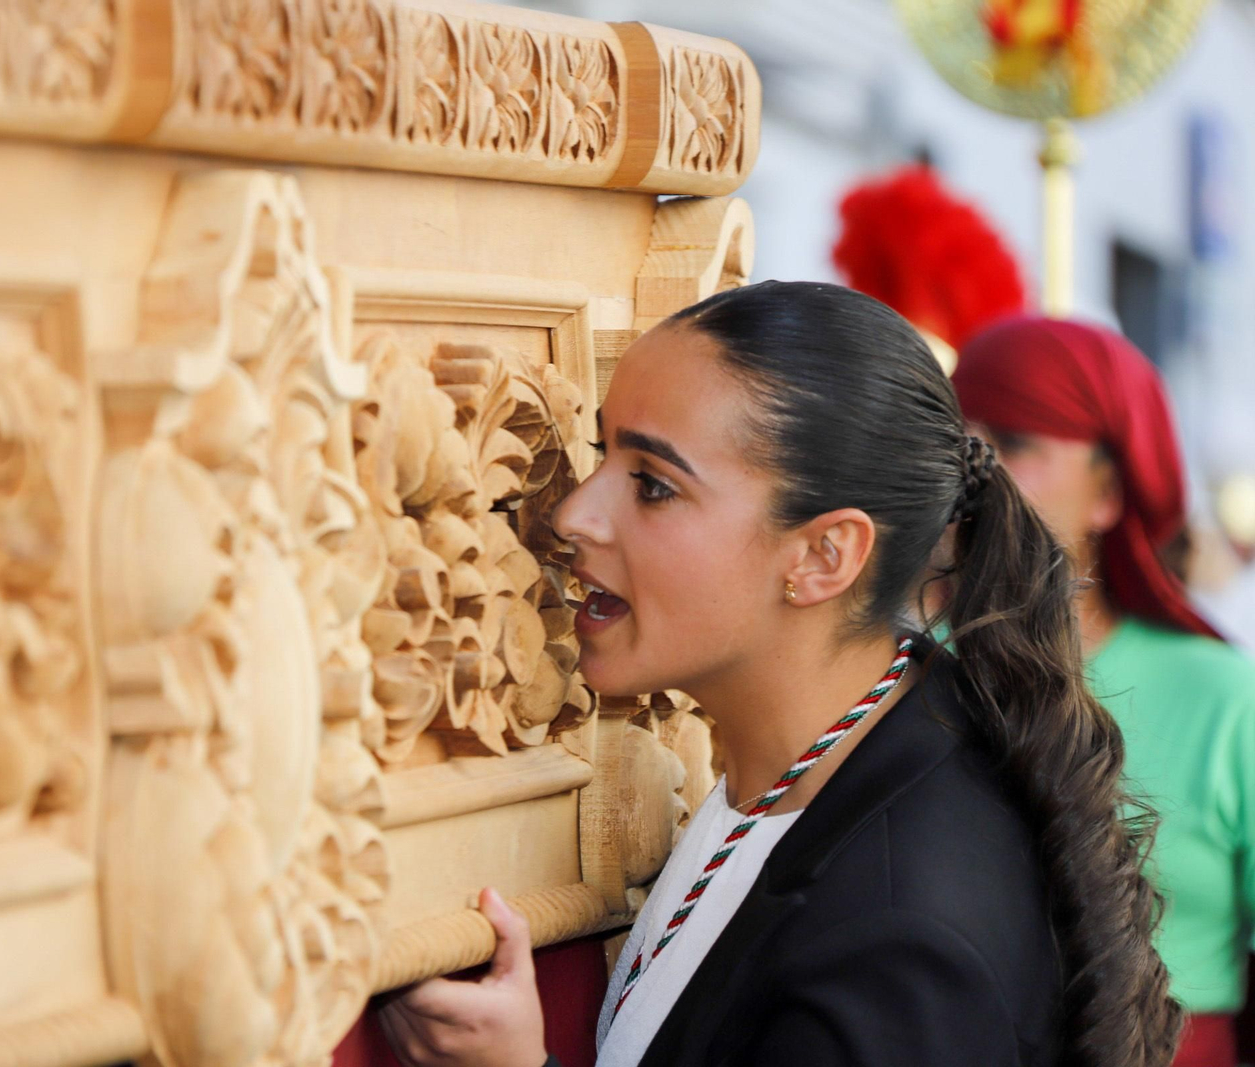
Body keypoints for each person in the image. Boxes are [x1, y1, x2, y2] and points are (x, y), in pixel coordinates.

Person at [374, 281, 1180, 1067]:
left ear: (824, 555)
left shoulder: (902, 941)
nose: (573, 514)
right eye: (601, 453)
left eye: (653, 485)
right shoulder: (845, 744)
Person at [954, 316, 1255, 1067]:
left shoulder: (1227, 695)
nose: (973, 468)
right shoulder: (895, 673)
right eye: (957, 438)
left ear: (1109, 491)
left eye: (1016, 443)